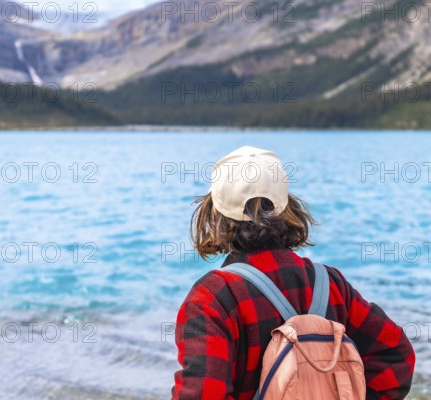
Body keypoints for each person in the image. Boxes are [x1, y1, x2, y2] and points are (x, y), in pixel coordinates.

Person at [171, 146, 415, 399]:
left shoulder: (213, 298)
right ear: (287, 208)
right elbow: (395, 354)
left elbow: (203, 394)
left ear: (213, 213)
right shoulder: (331, 283)